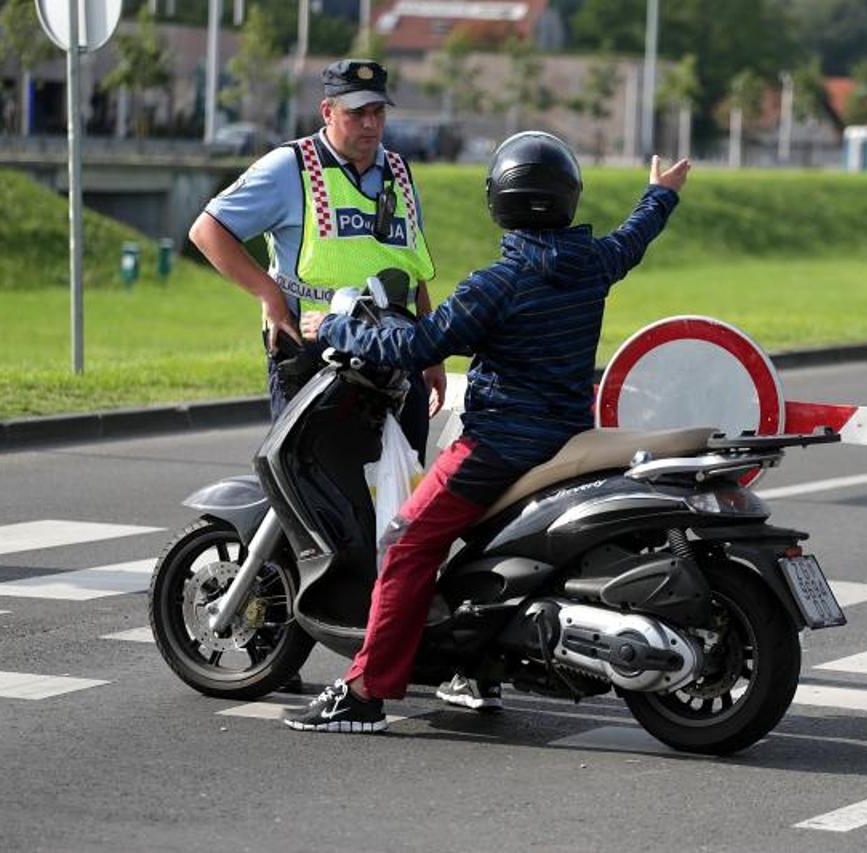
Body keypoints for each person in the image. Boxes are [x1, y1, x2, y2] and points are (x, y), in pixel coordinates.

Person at [282, 132, 691, 733]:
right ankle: (475, 670)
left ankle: (365, 691)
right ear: (568, 197)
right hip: (564, 436)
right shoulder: (592, 263)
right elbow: (632, 242)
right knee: (483, 546)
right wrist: (659, 195)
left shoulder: (497, 284)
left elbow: (421, 344)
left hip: (500, 444)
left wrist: (335, 329)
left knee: (405, 540)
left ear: (498, 200)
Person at [188, 59, 445, 461]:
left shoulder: (398, 170)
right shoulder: (290, 167)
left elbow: (413, 266)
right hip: (315, 354)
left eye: (377, 112)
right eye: (356, 113)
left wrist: (430, 354)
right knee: (313, 489)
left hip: (394, 350)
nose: (370, 125)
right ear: (327, 111)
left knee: (403, 493)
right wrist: (268, 295)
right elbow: (208, 231)